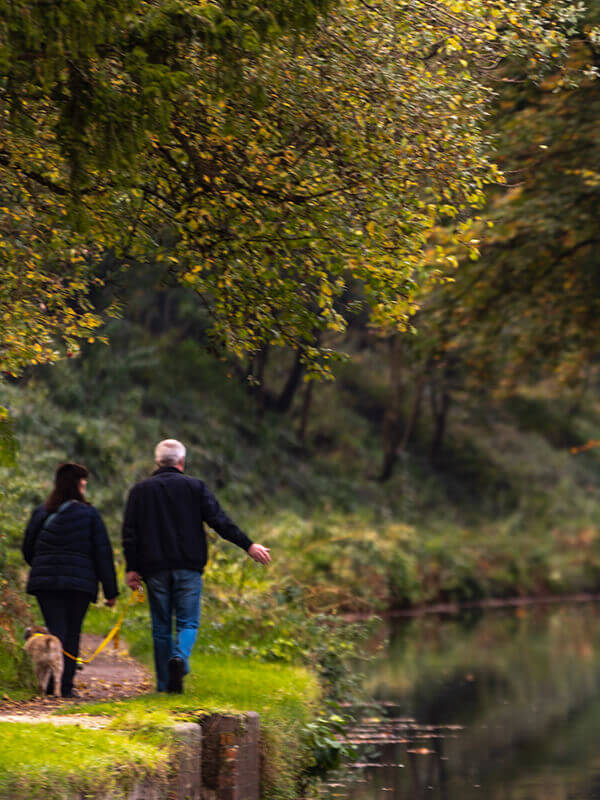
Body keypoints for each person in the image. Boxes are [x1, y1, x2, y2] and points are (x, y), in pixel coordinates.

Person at [122, 439, 271, 693]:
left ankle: (164, 686)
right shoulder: (195, 487)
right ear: (181, 461)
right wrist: (248, 545)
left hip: (154, 568)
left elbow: (130, 533)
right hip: (189, 568)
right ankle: (179, 658)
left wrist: (132, 568)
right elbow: (220, 521)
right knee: (188, 623)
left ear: (157, 461)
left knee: (160, 627)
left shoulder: (140, 491)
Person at [22, 462, 119, 698]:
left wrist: (43, 565)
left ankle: (46, 684)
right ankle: (65, 687)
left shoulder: (41, 512)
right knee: (73, 632)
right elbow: (102, 553)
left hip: (47, 584)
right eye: (83, 482)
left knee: (56, 630)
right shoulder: (90, 515)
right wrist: (110, 591)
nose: (85, 487)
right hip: (80, 584)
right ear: (77, 485)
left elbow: (27, 548)